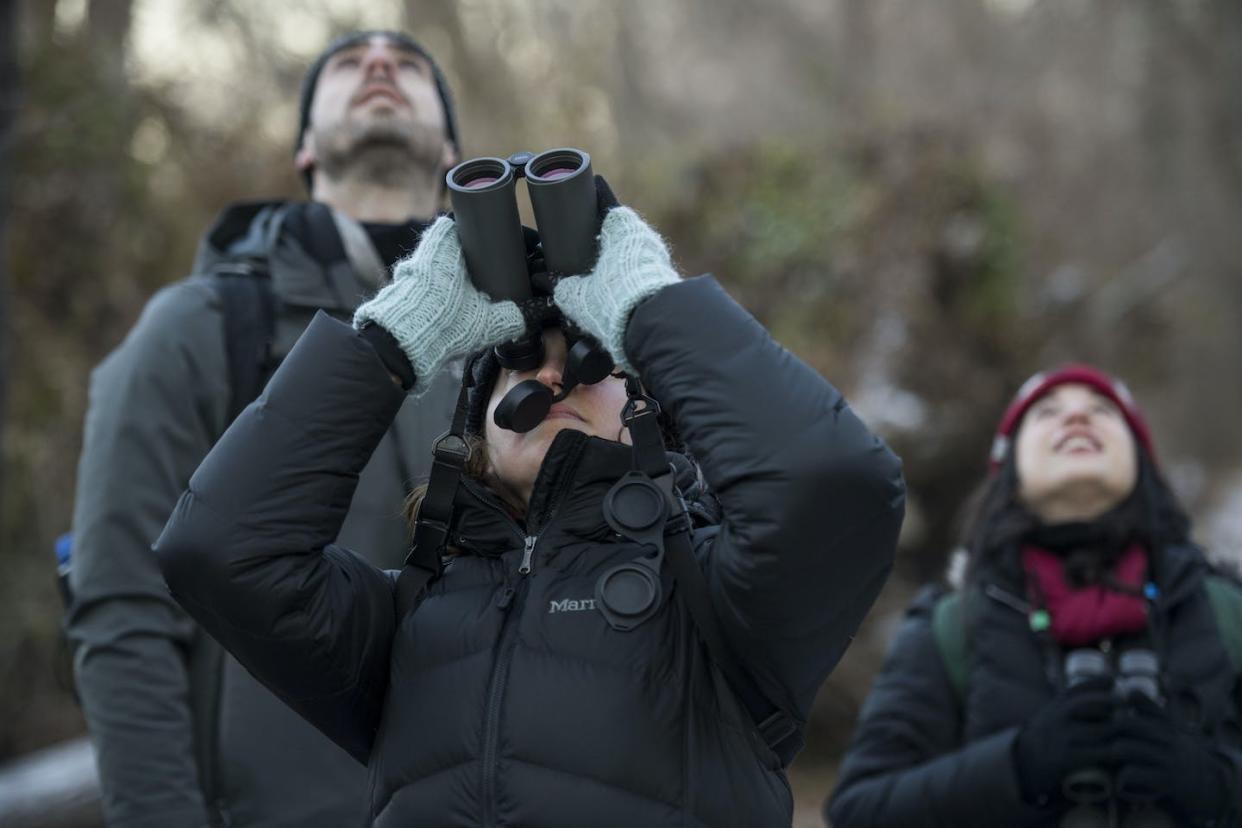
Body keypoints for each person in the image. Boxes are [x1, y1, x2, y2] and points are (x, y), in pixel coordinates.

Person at [153, 180, 907, 826]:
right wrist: (392, 339)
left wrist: (649, 307)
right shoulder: (406, 621)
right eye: (518, 364)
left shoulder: (720, 598)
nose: (553, 378)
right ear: (472, 430)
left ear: (647, 408)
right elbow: (219, 550)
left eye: (590, 360)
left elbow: (838, 485)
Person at [66, 31, 462, 828]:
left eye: (408, 66)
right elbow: (122, 608)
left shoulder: (521, 345)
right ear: (306, 150)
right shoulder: (202, 326)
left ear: (455, 151)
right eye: (349, 65)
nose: (381, 66)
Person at [827, 365, 1242, 827]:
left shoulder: (1225, 611)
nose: (1077, 419)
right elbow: (858, 811)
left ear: (1142, 460)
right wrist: (1015, 767)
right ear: (1011, 467)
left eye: (1103, 410)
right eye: (1047, 412)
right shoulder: (952, 623)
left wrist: (1214, 786)